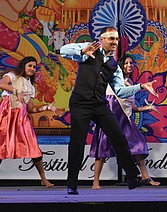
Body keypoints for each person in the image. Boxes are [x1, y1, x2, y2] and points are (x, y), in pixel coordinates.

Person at [60, 26, 159, 195]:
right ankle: (72, 184)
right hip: (80, 103)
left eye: (117, 39)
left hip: (99, 104)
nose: (115, 42)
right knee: (77, 143)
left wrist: (140, 86)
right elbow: (63, 50)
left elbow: (120, 91)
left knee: (119, 136)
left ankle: (132, 177)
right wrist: (83, 51)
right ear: (102, 39)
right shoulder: (90, 48)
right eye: (111, 38)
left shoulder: (114, 65)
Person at [90, 55, 161, 190]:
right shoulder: (113, 81)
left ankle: (145, 176)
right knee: (102, 149)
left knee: (138, 144)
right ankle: (95, 182)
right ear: (121, 66)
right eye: (126, 63)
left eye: (131, 63)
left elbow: (132, 108)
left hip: (124, 119)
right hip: (111, 117)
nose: (129, 65)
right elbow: (110, 100)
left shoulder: (131, 83)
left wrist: (148, 107)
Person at [0, 56, 59, 188]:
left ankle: (44, 179)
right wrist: (16, 91)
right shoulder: (12, 76)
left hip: (21, 118)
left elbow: (31, 109)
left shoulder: (30, 87)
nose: (32, 69)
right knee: (1, 146)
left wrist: (47, 107)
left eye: (34, 67)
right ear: (24, 66)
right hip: (6, 115)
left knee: (33, 147)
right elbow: (1, 83)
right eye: (30, 66)